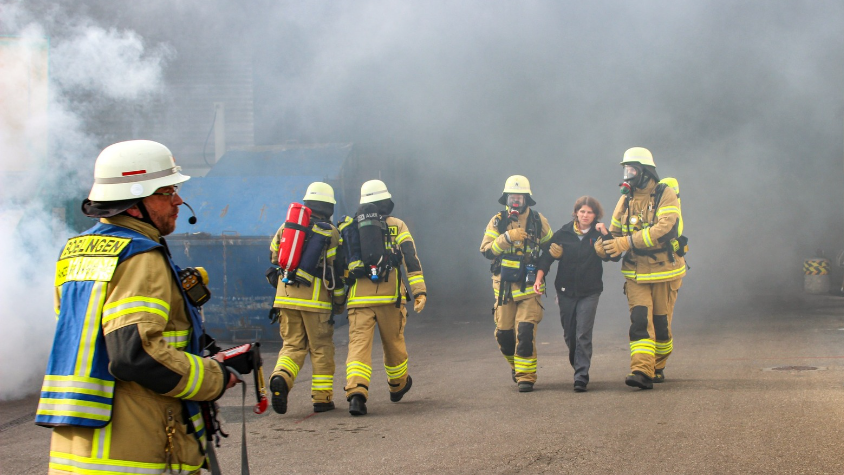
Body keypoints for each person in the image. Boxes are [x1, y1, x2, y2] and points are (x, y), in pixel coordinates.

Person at [36, 140, 238, 475]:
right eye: (165, 192)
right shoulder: (141, 256)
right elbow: (137, 355)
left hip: (75, 449)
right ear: (132, 205)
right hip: (132, 448)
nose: (178, 201)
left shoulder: (75, 251)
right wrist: (213, 377)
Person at [596, 147, 685, 389]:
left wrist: (626, 242)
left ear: (645, 172)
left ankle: (658, 365)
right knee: (639, 320)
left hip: (665, 270)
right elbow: (614, 232)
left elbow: (664, 227)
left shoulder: (665, 194)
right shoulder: (625, 199)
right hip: (636, 272)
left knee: (661, 327)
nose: (628, 174)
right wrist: (603, 246)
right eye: (626, 169)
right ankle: (641, 370)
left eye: (632, 169)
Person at [343, 179, 427, 416]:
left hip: (359, 300)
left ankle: (356, 394)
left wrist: (340, 299)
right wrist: (419, 291)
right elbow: (410, 259)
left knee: (358, 347)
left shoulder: (350, 227)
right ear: (385, 201)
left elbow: (342, 263)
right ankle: (397, 386)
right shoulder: (397, 225)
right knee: (394, 344)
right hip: (390, 299)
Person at [269, 182, 346, 414]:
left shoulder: (287, 226)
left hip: (285, 297)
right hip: (317, 303)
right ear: (329, 206)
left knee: (291, 346)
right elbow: (337, 268)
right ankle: (322, 399)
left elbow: (274, 256)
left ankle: (281, 377)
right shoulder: (331, 233)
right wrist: (340, 302)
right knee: (321, 348)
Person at [480, 175, 553, 392]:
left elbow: (549, 247)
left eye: (519, 198)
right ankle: (516, 365)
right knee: (503, 334)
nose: (515, 202)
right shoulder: (497, 221)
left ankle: (526, 377)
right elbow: (486, 250)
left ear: (527, 199)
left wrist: (552, 255)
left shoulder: (539, 221)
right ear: (506, 198)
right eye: (512, 197)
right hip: (503, 289)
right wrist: (507, 238)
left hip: (530, 287)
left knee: (525, 332)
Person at [534, 196, 608, 392]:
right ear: (576, 213)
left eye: (589, 212)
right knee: (570, 333)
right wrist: (538, 278)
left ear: (595, 215)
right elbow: (546, 257)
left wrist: (606, 237)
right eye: (582, 211)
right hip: (566, 291)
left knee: (583, 332)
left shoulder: (598, 233)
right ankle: (578, 364)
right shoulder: (564, 233)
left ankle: (581, 376)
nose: (585, 215)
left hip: (590, 291)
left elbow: (613, 256)